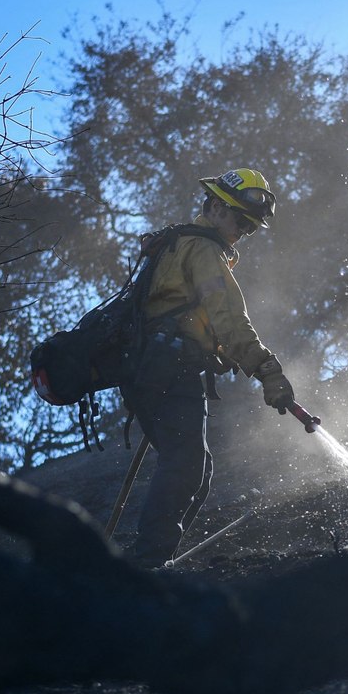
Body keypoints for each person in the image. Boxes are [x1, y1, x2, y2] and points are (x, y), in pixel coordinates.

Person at [122, 167, 297, 566]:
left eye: (251, 228)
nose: (243, 233)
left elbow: (187, 315)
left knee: (195, 467)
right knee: (185, 465)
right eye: (241, 220)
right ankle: (146, 566)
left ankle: (153, 558)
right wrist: (267, 370)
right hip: (168, 372)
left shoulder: (177, 241)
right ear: (217, 207)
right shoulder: (203, 250)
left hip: (151, 370)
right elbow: (229, 319)